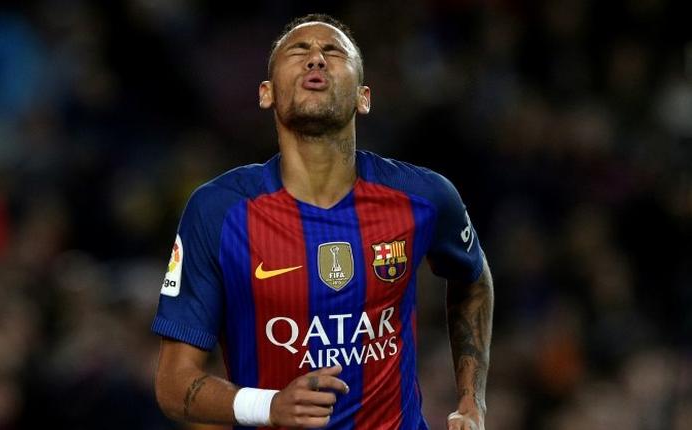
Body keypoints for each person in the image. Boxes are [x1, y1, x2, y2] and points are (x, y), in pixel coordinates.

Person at [152, 13, 493, 430]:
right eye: (299, 51)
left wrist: (471, 399)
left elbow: (472, 276)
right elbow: (173, 384)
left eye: (333, 52)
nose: (316, 58)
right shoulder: (217, 211)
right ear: (266, 94)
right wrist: (270, 406)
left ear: (363, 98)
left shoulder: (424, 197)